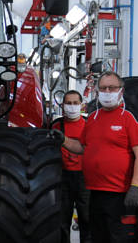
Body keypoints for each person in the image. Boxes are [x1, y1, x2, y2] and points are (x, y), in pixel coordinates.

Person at [62, 71, 138, 243]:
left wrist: (135, 187)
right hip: (95, 192)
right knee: (98, 236)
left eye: (112, 88)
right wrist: (62, 139)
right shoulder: (93, 118)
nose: (107, 92)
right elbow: (81, 147)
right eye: (103, 88)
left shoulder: (129, 117)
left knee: (119, 237)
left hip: (120, 194)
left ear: (121, 91)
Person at [51, 90, 90, 243]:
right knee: (62, 220)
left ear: (82, 105)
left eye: (75, 103)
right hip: (62, 178)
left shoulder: (89, 125)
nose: (72, 106)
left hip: (84, 179)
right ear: (62, 106)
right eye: (68, 103)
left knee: (87, 219)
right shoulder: (56, 125)